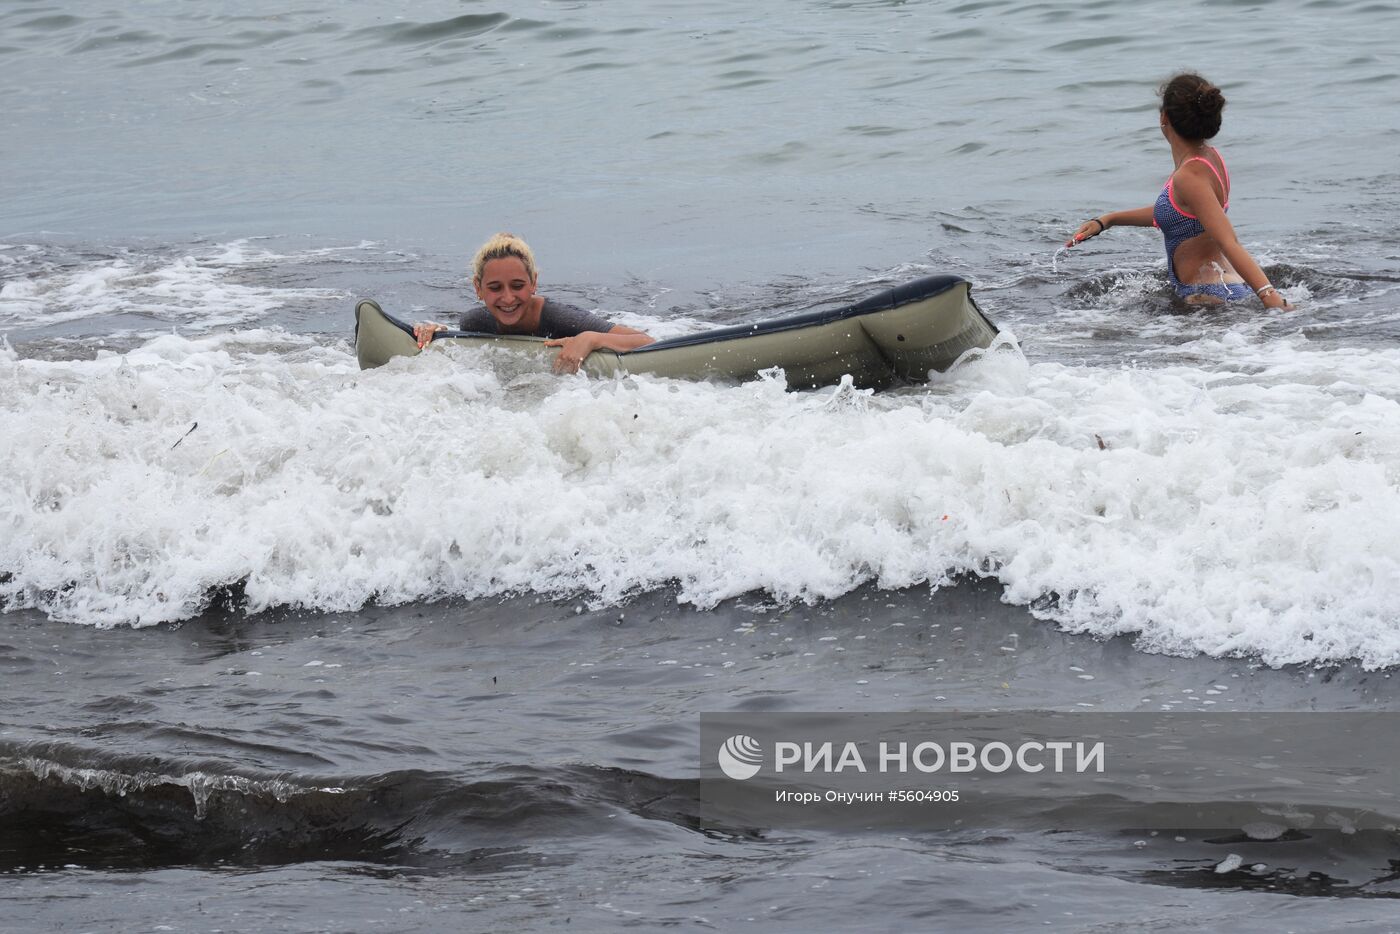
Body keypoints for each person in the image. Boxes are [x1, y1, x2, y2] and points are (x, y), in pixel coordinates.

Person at [1065, 73, 1291, 309]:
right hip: (1214, 287)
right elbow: (1177, 212)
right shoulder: (1208, 159)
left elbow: (1228, 241)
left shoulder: (1189, 176)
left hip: (1208, 294)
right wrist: (1108, 220)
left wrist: (1270, 297)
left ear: (1164, 117)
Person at [413, 232, 653, 372]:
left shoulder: (561, 318)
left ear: (533, 282)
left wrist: (590, 338)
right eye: (495, 288)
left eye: (517, 286)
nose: (507, 298)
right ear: (478, 288)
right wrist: (437, 333)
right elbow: (459, 341)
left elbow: (646, 341)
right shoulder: (474, 321)